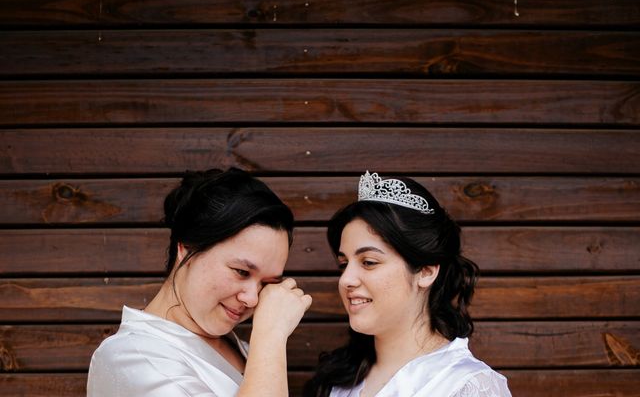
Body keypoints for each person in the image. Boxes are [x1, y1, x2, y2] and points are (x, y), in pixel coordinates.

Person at [87, 168, 312, 397]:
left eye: (267, 283)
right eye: (241, 272)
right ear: (187, 249)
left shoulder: (244, 350)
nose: (253, 298)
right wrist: (271, 335)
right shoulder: (129, 359)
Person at [304, 171, 512, 397]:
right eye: (344, 264)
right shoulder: (338, 382)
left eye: (369, 262)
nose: (346, 280)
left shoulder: (466, 386)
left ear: (426, 271)